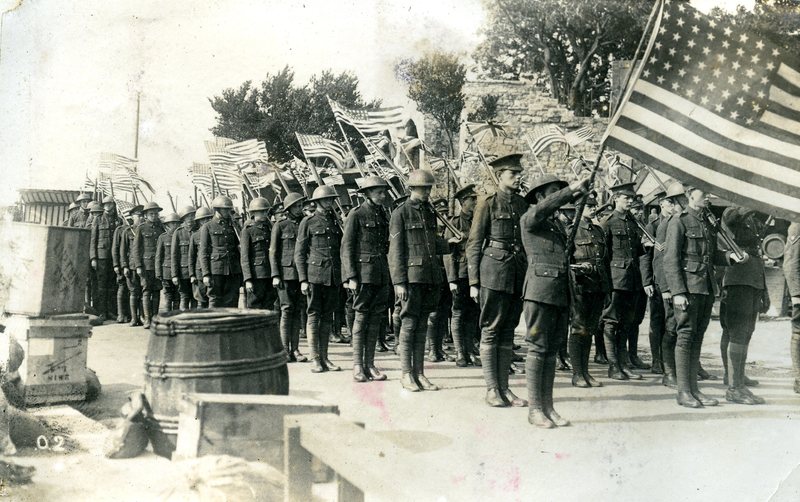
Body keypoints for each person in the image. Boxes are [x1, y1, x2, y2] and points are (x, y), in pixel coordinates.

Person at [664, 186, 748, 408]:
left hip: (705, 288)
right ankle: (683, 392)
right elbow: (670, 260)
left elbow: (709, 256)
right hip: (688, 290)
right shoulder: (678, 222)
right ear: (690, 195)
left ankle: (694, 390)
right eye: (704, 193)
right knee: (685, 337)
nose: (709, 196)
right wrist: (678, 292)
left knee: (697, 337)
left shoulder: (705, 222)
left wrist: (729, 256)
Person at [521, 173, 590, 427]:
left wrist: (579, 201)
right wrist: (571, 190)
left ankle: (548, 407)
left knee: (551, 350)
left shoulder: (556, 225)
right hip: (539, 292)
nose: (557, 197)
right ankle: (535, 409)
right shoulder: (530, 218)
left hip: (559, 292)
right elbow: (544, 209)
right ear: (540, 196)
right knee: (538, 348)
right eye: (553, 191)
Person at [466, 154, 529, 407]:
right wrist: (473, 281)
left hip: (516, 274)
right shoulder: (487, 204)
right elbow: (474, 243)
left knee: (508, 332)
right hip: (493, 273)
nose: (518, 177)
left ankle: (505, 388)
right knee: (491, 329)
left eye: (518, 173)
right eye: (512, 174)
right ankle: (492, 389)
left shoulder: (523, 205)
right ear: (499, 176)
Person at [389, 169, 457, 391]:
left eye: (428, 188)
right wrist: (399, 282)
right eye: (422, 188)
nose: (427, 192)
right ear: (412, 189)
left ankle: (419, 373)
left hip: (429, 276)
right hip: (411, 278)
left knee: (421, 326)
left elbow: (431, 243)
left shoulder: (429, 212)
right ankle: (406, 374)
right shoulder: (400, 213)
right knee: (409, 324)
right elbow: (396, 251)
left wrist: (450, 244)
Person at [341, 176, 391, 382]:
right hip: (363, 275)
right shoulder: (356, 214)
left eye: (383, 192)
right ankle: (357, 366)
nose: (383, 195)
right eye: (378, 192)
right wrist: (351, 276)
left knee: (376, 319)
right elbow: (347, 247)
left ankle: (370, 364)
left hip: (380, 274)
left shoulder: (383, 214)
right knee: (361, 318)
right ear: (368, 193)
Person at [719, 206, 768, 405]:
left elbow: (756, 252)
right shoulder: (732, 212)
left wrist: (763, 288)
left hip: (752, 279)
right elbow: (731, 218)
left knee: (746, 331)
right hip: (738, 279)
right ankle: (734, 387)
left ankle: (737, 378)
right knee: (737, 331)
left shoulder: (752, 220)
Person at [599, 182, 647, 381]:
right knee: (611, 321)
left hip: (633, 279)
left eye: (631, 198)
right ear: (615, 198)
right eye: (626, 198)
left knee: (627, 322)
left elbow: (638, 252)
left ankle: (623, 363)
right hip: (616, 280)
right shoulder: (607, 222)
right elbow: (602, 255)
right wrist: (605, 283)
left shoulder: (633, 222)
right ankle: (613, 365)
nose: (630, 201)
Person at [295, 186, 344, 373]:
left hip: (332, 276)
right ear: (317, 202)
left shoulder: (334, 221)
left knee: (327, 317)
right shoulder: (308, 222)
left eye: (332, 199)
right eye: (327, 200)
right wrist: (303, 280)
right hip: (315, 275)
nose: (330, 202)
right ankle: (315, 358)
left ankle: (325, 357)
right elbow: (300, 254)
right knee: (314, 316)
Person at [568, 191, 609, 388]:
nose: (593, 208)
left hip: (597, 286)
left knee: (590, 329)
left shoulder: (598, 231)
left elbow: (604, 261)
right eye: (589, 206)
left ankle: (585, 371)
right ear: (579, 208)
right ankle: (577, 373)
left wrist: (607, 288)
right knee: (579, 329)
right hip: (580, 287)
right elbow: (565, 262)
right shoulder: (572, 231)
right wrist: (578, 269)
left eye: (594, 206)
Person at [445, 184, 481, 367]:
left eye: (475, 198)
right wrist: (451, 279)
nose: (475, 201)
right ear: (462, 202)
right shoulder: (454, 223)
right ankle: (460, 352)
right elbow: (448, 254)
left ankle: (470, 350)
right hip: (460, 274)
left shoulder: (479, 221)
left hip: (476, 274)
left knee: (473, 314)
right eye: (471, 199)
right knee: (458, 313)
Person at [270, 192, 308, 363]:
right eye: (297, 206)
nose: (300, 209)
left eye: (301, 205)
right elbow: (273, 252)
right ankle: (285, 350)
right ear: (289, 208)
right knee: (286, 311)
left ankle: (296, 349)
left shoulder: (305, 223)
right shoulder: (280, 225)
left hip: (302, 274)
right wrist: (276, 275)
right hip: (285, 274)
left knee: (298, 310)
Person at [640, 190, 669, 376]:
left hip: (673, 280)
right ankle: (657, 360)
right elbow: (645, 256)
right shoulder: (653, 226)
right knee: (658, 321)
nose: (673, 206)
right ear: (661, 204)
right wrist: (647, 281)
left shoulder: (677, 222)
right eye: (669, 203)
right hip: (657, 282)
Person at [199, 196, 243, 308]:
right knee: (215, 300)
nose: (228, 212)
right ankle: (214, 325)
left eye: (229, 209)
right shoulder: (207, 227)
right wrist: (206, 274)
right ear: (217, 210)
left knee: (232, 300)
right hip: (216, 270)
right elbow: (203, 252)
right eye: (225, 209)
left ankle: (230, 325)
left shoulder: (233, 226)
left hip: (233, 269)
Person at [427, 198, 454, 362]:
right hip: (434, 275)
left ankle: (439, 348)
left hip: (446, 276)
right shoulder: (431, 232)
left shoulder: (448, 230)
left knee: (444, 313)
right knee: (434, 314)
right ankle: (432, 349)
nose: (444, 218)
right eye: (441, 214)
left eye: (445, 214)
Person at [241, 198, 278, 311]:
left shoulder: (271, 228)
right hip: (256, 275)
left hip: (270, 273)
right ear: (253, 213)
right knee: (254, 306)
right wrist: (248, 279)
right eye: (261, 211)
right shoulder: (248, 231)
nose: (264, 214)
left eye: (265, 211)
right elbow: (244, 257)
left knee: (270, 305)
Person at [132, 201, 165, 328]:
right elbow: (136, 249)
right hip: (146, 265)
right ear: (145, 215)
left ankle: (155, 318)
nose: (154, 216)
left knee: (156, 291)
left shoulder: (161, 228)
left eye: (156, 213)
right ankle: (147, 319)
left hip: (158, 266)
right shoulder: (141, 228)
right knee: (146, 291)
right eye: (151, 213)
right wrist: (139, 266)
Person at [627, 197, 651, 370]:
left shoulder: (641, 227)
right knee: (622, 320)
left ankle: (633, 355)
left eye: (641, 209)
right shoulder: (626, 225)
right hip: (626, 278)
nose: (639, 212)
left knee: (636, 319)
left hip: (640, 279)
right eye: (635, 209)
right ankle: (617, 356)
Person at [119, 205, 144, 326]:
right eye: (138, 216)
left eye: (142, 215)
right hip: (132, 265)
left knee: (144, 292)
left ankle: (143, 317)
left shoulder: (145, 230)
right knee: (134, 292)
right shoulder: (128, 231)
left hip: (144, 265)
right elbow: (123, 251)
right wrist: (124, 266)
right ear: (132, 217)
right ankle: (134, 318)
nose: (141, 218)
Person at [783, 221, 800, 395]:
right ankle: (799, 378)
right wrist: (796, 294)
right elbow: (790, 263)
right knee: (798, 333)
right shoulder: (798, 224)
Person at [112, 204, 136, 323]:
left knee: (132, 289)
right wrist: (117, 264)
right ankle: (121, 314)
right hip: (123, 263)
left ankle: (131, 315)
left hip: (132, 263)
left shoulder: (135, 229)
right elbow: (116, 249)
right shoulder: (120, 230)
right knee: (122, 287)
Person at [171, 205, 196, 311]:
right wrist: (174, 275)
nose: (190, 219)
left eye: (192, 216)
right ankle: (184, 322)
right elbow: (174, 255)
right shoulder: (178, 232)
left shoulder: (199, 231)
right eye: (187, 217)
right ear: (183, 219)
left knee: (196, 297)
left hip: (196, 270)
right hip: (183, 272)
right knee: (184, 297)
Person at [155, 212, 182, 311]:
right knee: (168, 297)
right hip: (166, 271)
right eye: (173, 223)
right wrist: (158, 272)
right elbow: (158, 256)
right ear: (167, 225)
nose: (175, 226)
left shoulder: (181, 236)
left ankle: (175, 318)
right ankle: (167, 319)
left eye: (177, 223)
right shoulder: (163, 237)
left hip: (179, 271)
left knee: (177, 297)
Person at [188, 207, 213, 309]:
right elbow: (191, 256)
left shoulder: (213, 233)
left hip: (212, 269)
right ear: (198, 222)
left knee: (213, 298)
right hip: (200, 272)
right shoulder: (195, 236)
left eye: (208, 219)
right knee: (202, 299)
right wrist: (192, 274)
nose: (205, 222)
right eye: (203, 220)